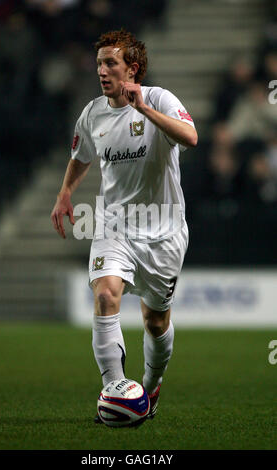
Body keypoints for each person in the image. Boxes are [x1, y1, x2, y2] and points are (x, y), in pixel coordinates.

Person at [51, 29, 198, 423]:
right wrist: (66, 192)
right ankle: (115, 390)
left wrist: (145, 110)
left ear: (132, 69)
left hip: (164, 232)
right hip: (116, 225)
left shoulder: (160, 99)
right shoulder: (93, 112)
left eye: (110, 62)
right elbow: (82, 153)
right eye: (99, 62)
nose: (102, 70)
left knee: (155, 319)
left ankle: (151, 386)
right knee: (105, 295)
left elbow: (191, 136)